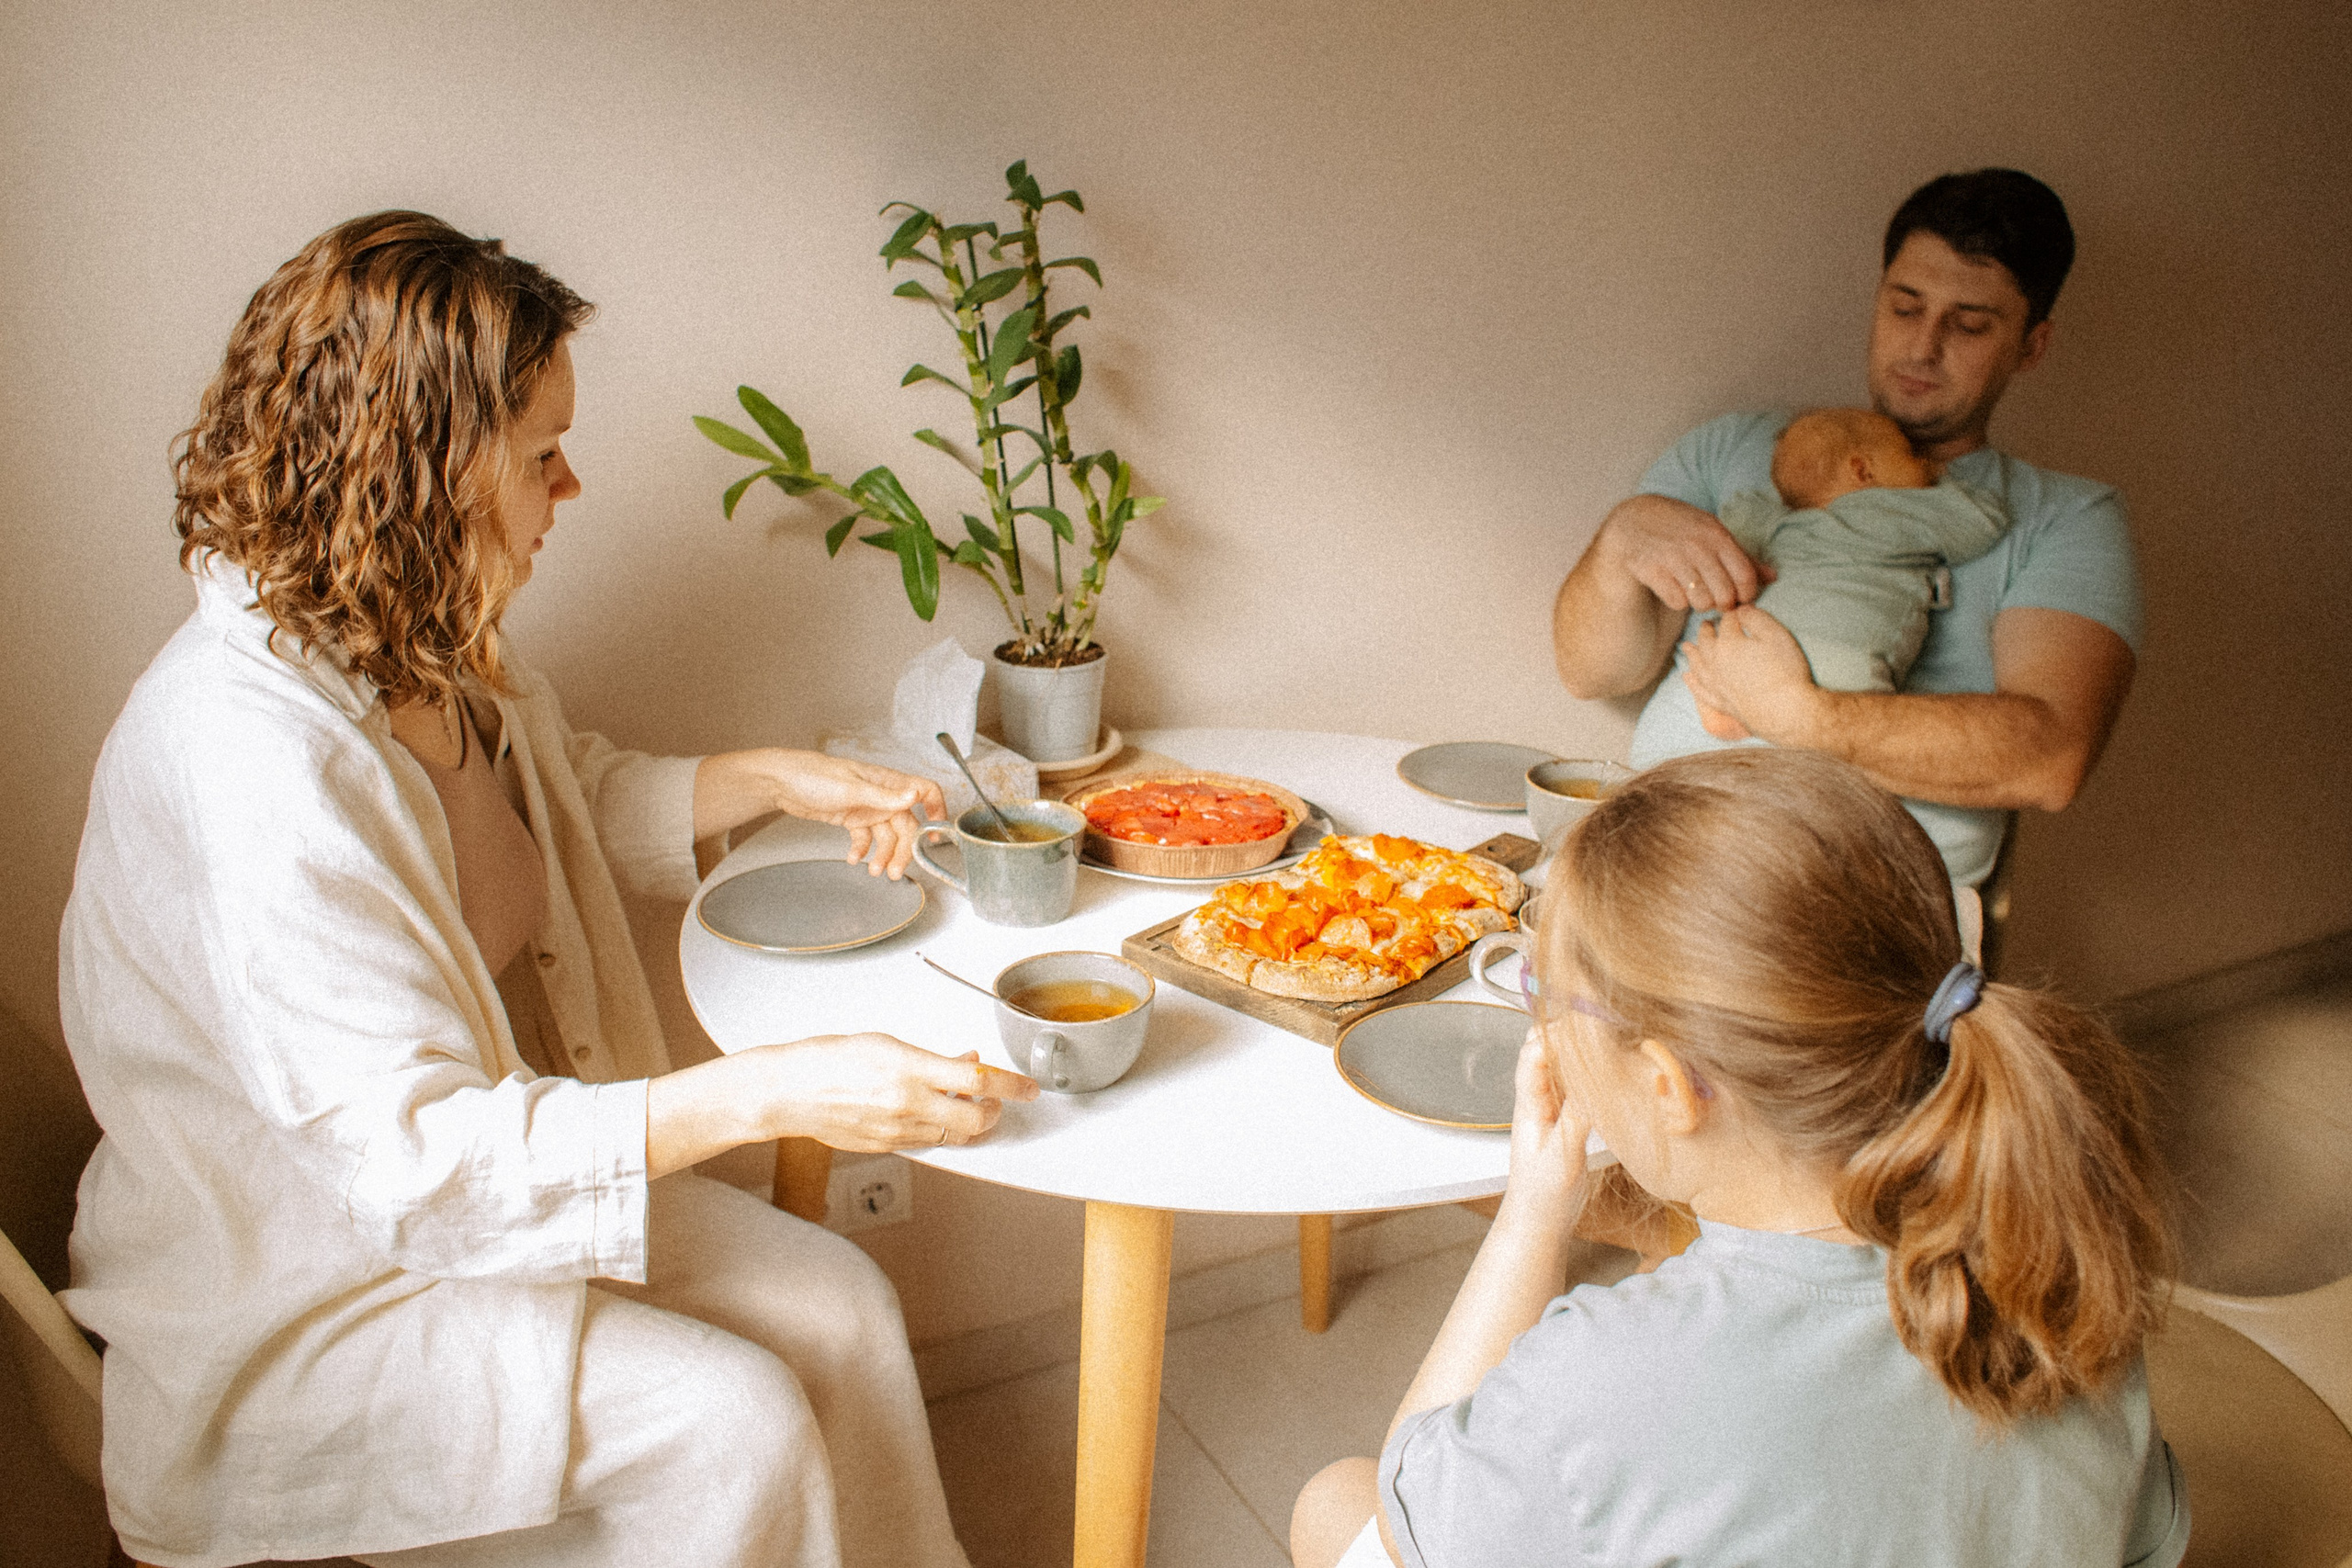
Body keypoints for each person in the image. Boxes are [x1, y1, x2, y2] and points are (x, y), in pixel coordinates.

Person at [57, 211, 1036, 1568]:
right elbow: (409, 1159)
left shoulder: (413, 631)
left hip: (432, 1205)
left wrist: (782, 777)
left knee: (846, 1303)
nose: (568, 483)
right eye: (540, 452)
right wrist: (776, 1086)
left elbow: (538, 801)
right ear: (426, 468)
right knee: (735, 1423)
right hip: (306, 1269)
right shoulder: (250, 754)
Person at [1287, 748, 2189, 1568]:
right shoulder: (2057, 1249)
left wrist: (1532, 1210)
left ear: (1668, 1087)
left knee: (1331, 1504)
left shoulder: (1609, 1376)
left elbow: (1409, 1526)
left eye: (1545, 993)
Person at [1551, 168, 2139, 894]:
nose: (1924, 346)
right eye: (1904, 307)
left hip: (1858, 907)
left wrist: (1803, 716)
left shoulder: (2064, 517)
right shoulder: (1734, 449)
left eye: (1971, 323)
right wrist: (1616, 548)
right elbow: (1593, 672)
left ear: (2030, 345)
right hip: (1659, 857)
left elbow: (2049, 758)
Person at [1690, 406, 2008, 740]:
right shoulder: (1895, 512)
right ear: (1863, 470)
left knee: (1727, 649)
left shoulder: (1780, 524)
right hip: (1845, 657)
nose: (1923, 463)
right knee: (1866, 727)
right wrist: (1944, 477)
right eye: (1910, 454)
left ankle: (1723, 708)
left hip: (1758, 644)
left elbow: (1735, 526)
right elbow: (1983, 520)